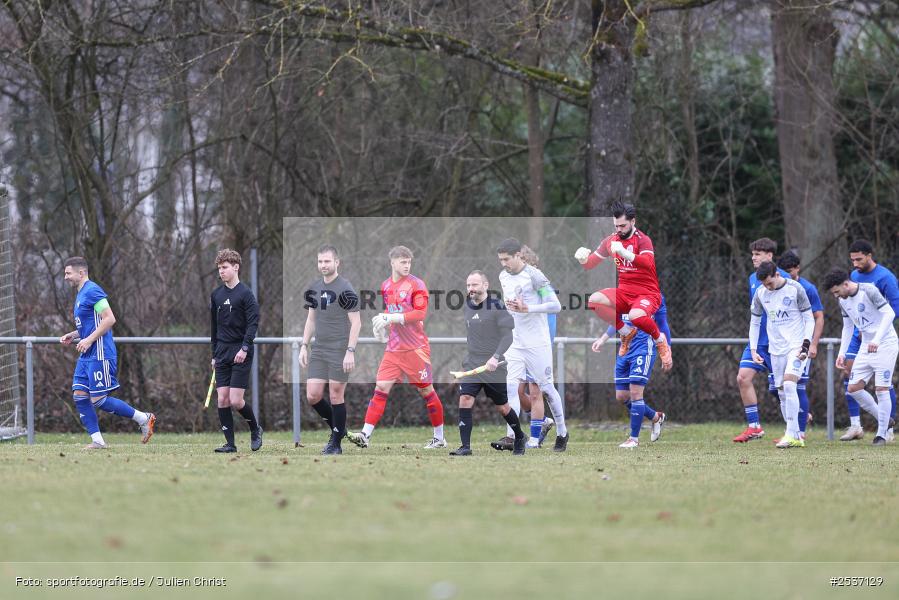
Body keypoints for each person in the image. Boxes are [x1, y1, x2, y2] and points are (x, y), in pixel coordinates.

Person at [346, 246, 446, 449]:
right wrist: (382, 328)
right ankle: (365, 435)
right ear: (392, 262)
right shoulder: (385, 286)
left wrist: (391, 317)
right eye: (402, 261)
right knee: (381, 387)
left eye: (408, 261)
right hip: (394, 349)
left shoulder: (416, 285)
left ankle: (439, 438)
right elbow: (390, 312)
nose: (406, 265)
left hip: (415, 348)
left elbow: (419, 314)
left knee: (427, 391)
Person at [59, 257, 155, 449]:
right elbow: (91, 324)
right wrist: (74, 334)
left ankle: (144, 418)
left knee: (99, 400)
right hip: (87, 353)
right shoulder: (80, 294)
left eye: (68, 273)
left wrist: (88, 340)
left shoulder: (92, 291)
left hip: (100, 352)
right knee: (79, 394)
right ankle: (98, 441)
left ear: (81, 273)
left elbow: (109, 319)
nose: (65, 277)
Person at [575, 201, 672, 370]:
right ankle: (626, 332)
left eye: (623, 225)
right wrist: (582, 260)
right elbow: (590, 264)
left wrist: (625, 253)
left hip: (647, 294)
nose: (619, 229)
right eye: (616, 225)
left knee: (635, 316)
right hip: (625, 292)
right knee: (593, 301)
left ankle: (660, 340)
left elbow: (648, 263)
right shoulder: (610, 241)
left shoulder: (643, 240)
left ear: (633, 222)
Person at [497, 238, 568, 451]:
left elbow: (555, 306)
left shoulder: (535, 276)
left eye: (507, 259)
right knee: (511, 385)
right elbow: (511, 306)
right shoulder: (502, 276)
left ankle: (562, 432)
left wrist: (528, 308)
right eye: (500, 260)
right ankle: (514, 436)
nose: (503, 264)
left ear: (519, 255)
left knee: (545, 389)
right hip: (516, 341)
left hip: (537, 343)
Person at [450, 270, 525, 456]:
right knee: (465, 399)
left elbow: (508, 337)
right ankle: (465, 447)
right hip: (473, 363)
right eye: (468, 285)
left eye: (475, 285)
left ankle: (520, 437)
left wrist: (496, 356)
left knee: (503, 407)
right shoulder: (467, 305)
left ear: (485, 285)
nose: (471, 289)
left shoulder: (497, 306)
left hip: (494, 366)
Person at [823, 268, 898, 446]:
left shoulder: (869, 290)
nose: (836, 296)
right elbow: (848, 327)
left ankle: (881, 435)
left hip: (885, 343)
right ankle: (885, 419)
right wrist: (842, 352)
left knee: (881, 389)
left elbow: (889, 313)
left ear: (846, 284)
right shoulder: (843, 300)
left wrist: (877, 339)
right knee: (853, 388)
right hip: (866, 346)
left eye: (836, 291)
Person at [299, 245, 362, 455]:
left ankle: (336, 443)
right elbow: (310, 320)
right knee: (313, 396)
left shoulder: (346, 288)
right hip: (319, 349)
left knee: (336, 395)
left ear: (337, 263)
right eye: (320, 262)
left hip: (340, 349)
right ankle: (339, 429)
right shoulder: (314, 288)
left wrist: (350, 351)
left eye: (327, 261)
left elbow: (357, 323)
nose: (323, 265)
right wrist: (303, 346)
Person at [748, 261, 815, 448]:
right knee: (782, 392)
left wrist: (806, 343)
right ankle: (794, 435)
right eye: (763, 284)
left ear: (777, 274)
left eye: (769, 283)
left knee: (789, 384)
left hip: (796, 346)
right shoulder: (761, 294)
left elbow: (809, 319)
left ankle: (792, 434)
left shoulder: (795, 289)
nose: (767, 287)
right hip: (775, 349)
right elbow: (754, 322)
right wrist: (753, 349)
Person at [839, 240, 899, 441]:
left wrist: (876, 331)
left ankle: (886, 430)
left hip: (881, 336)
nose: (855, 264)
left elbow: (894, 308)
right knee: (850, 376)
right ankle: (856, 425)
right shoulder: (853, 277)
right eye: (852, 260)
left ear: (869, 255)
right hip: (860, 336)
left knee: (883, 384)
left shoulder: (885, 277)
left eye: (859, 259)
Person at [732, 238, 791, 443]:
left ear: (769, 256)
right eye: (753, 254)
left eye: (758, 254)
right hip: (758, 341)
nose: (753, 257)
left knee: (781, 388)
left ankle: (794, 429)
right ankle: (754, 427)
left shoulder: (783, 279)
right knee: (743, 378)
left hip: (779, 343)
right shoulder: (752, 278)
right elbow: (756, 314)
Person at [592, 296, 670, 448]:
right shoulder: (624, 293)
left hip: (643, 349)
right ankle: (656, 417)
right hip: (625, 350)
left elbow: (662, 324)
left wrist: (667, 350)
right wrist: (603, 339)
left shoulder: (656, 297)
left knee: (635, 394)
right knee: (621, 396)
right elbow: (617, 320)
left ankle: (633, 439)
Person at [210, 249, 262, 453]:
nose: (221, 272)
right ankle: (230, 444)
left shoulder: (246, 294)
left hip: (241, 350)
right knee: (222, 398)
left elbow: (252, 324)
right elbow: (214, 328)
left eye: (224, 267)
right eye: (219, 268)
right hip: (222, 351)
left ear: (236, 267)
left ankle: (255, 429)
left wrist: (245, 347)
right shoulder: (216, 295)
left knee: (235, 400)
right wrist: (214, 354)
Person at [776, 250, 824, 442]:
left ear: (797, 268)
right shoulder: (777, 288)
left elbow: (818, 317)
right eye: (784, 271)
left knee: (797, 386)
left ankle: (799, 431)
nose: (788, 275)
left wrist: (812, 344)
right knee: (777, 388)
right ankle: (797, 421)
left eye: (790, 271)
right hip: (780, 347)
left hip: (800, 346)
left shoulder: (807, 288)